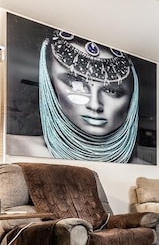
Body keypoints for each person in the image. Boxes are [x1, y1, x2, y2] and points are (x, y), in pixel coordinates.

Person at [9, 29, 140, 163]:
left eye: (111, 91)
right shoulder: (11, 149)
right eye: (75, 85)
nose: (94, 105)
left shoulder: (142, 168)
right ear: (51, 83)